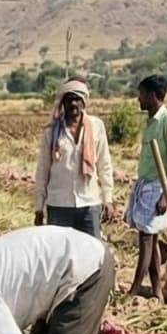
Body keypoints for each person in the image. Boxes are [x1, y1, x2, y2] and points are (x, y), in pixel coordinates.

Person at [33, 79, 113, 237]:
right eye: (69, 100)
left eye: (77, 99)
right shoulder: (51, 132)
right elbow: (43, 170)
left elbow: (104, 164)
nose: (73, 104)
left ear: (84, 102)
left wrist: (108, 199)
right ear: (63, 103)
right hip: (58, 204)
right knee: (60, 254)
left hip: (89, 202)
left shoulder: (96, 127)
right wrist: (39, 208)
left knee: (91, 252)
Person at [126, 75, 167, 300]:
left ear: (151, 95)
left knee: (146, 239)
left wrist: (165, 195)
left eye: (141, 94)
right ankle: (157, 290)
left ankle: (135, 288)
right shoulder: (150, 122)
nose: (138, 99)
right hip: (145, 184)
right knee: (151, 239)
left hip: (158, 187)